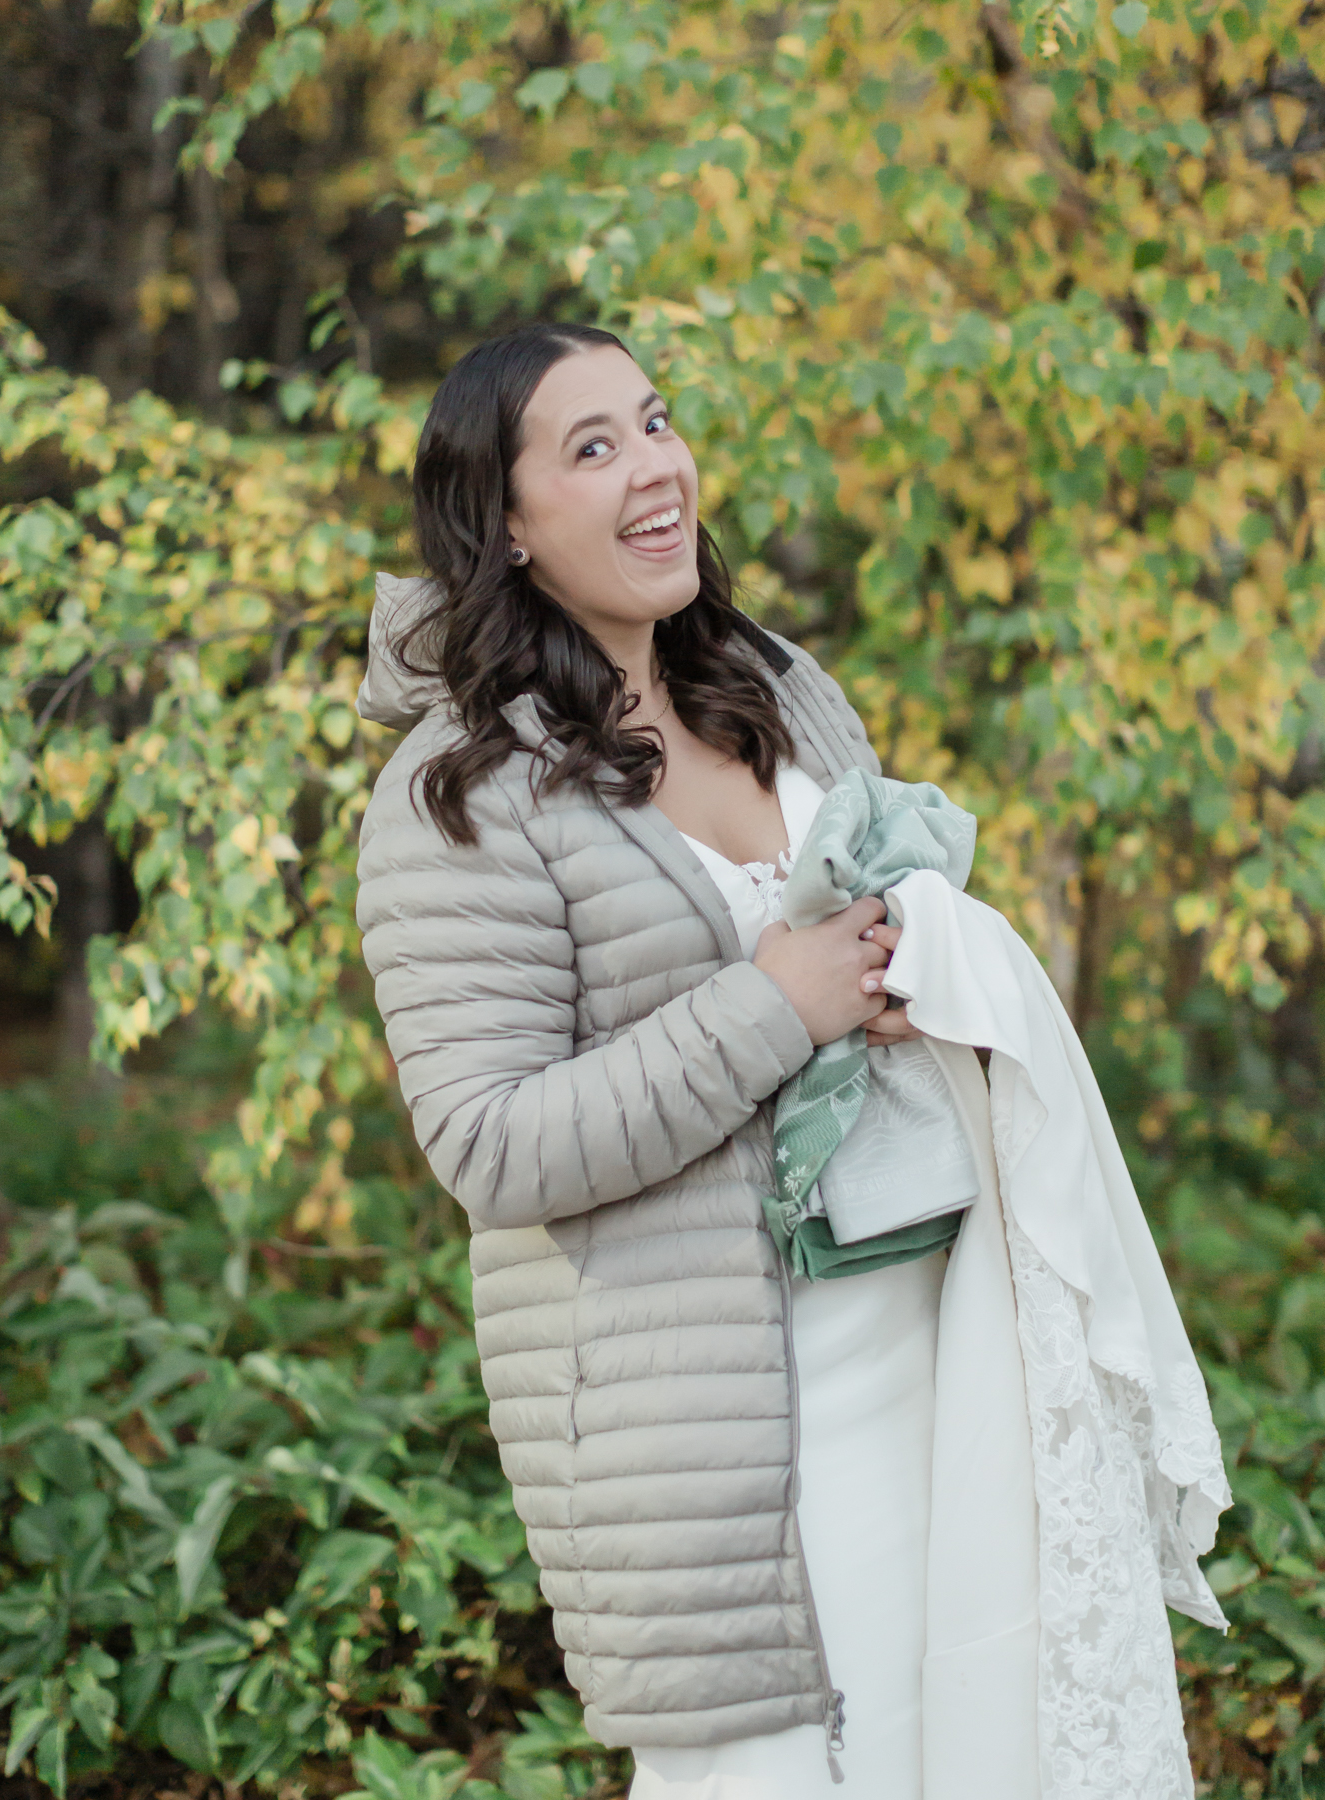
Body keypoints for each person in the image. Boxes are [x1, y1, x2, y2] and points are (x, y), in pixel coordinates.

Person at [354, 322, 999, 1799]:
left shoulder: (773, 682)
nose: (656, 468)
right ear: (505, 528)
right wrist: (780, 1006)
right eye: (592, 448)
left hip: (919, 1334)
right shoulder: (458, 789)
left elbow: (892, 925)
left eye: (654, 422)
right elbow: (491, 1143)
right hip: (699, 1418)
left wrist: (914, 968)